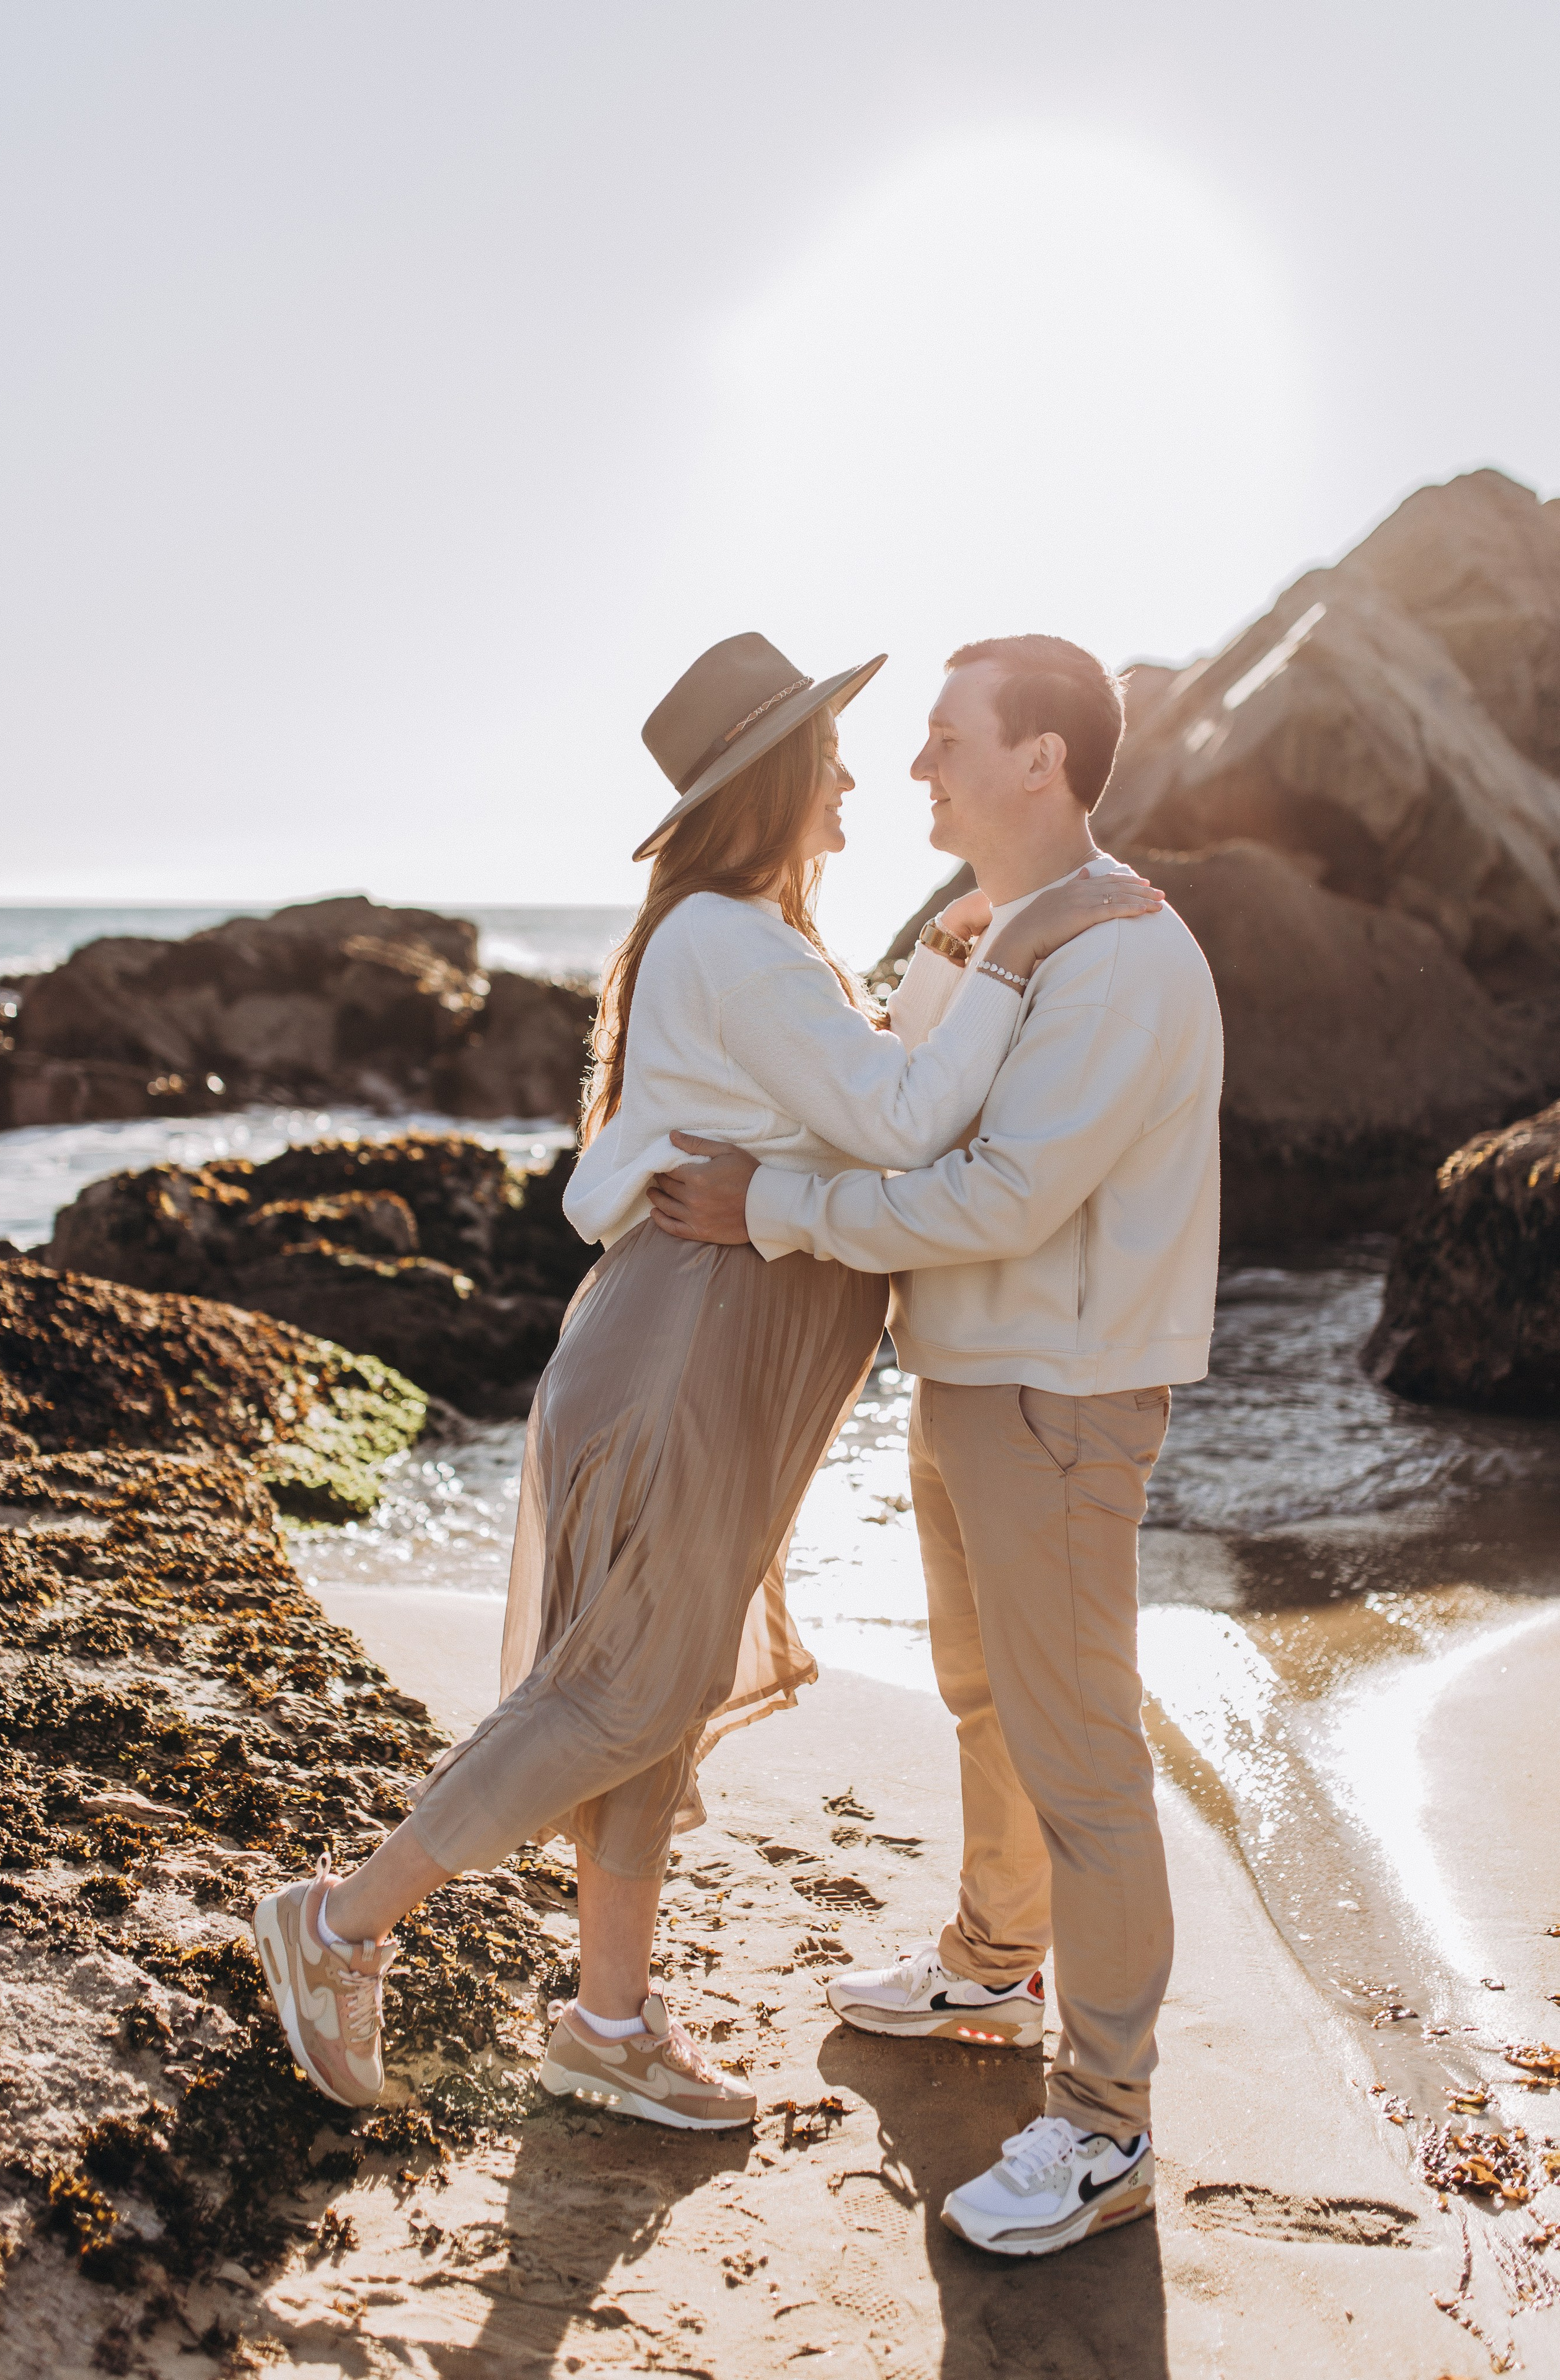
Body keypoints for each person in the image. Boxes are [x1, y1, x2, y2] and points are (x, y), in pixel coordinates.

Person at [251, 630, 1161, 2130]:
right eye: (832, 749)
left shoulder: (752, 939)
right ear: (775, 777)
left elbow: (816, 1102)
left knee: (646, 1694)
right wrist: (1018, 942)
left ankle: (608, 2023)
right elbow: (900, 1120)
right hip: (691, 1347)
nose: (861, 771)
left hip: (716, 1354)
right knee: (619, 1686)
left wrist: (943, 957)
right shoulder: (732, 942)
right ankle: (341, 1922)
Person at [648, 632, 1223, 2252]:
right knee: (986, 1702)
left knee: (1086, 1758)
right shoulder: (994, 931)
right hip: (968, 1375)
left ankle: (1106, 2129)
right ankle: (992, 1955)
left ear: (1041, 760)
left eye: (946, 738)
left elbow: (997, 1193)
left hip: (1061, 1391)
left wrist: (773, 1214)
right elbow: (903, 1102)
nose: (915, 767)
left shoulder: (1120, 954)